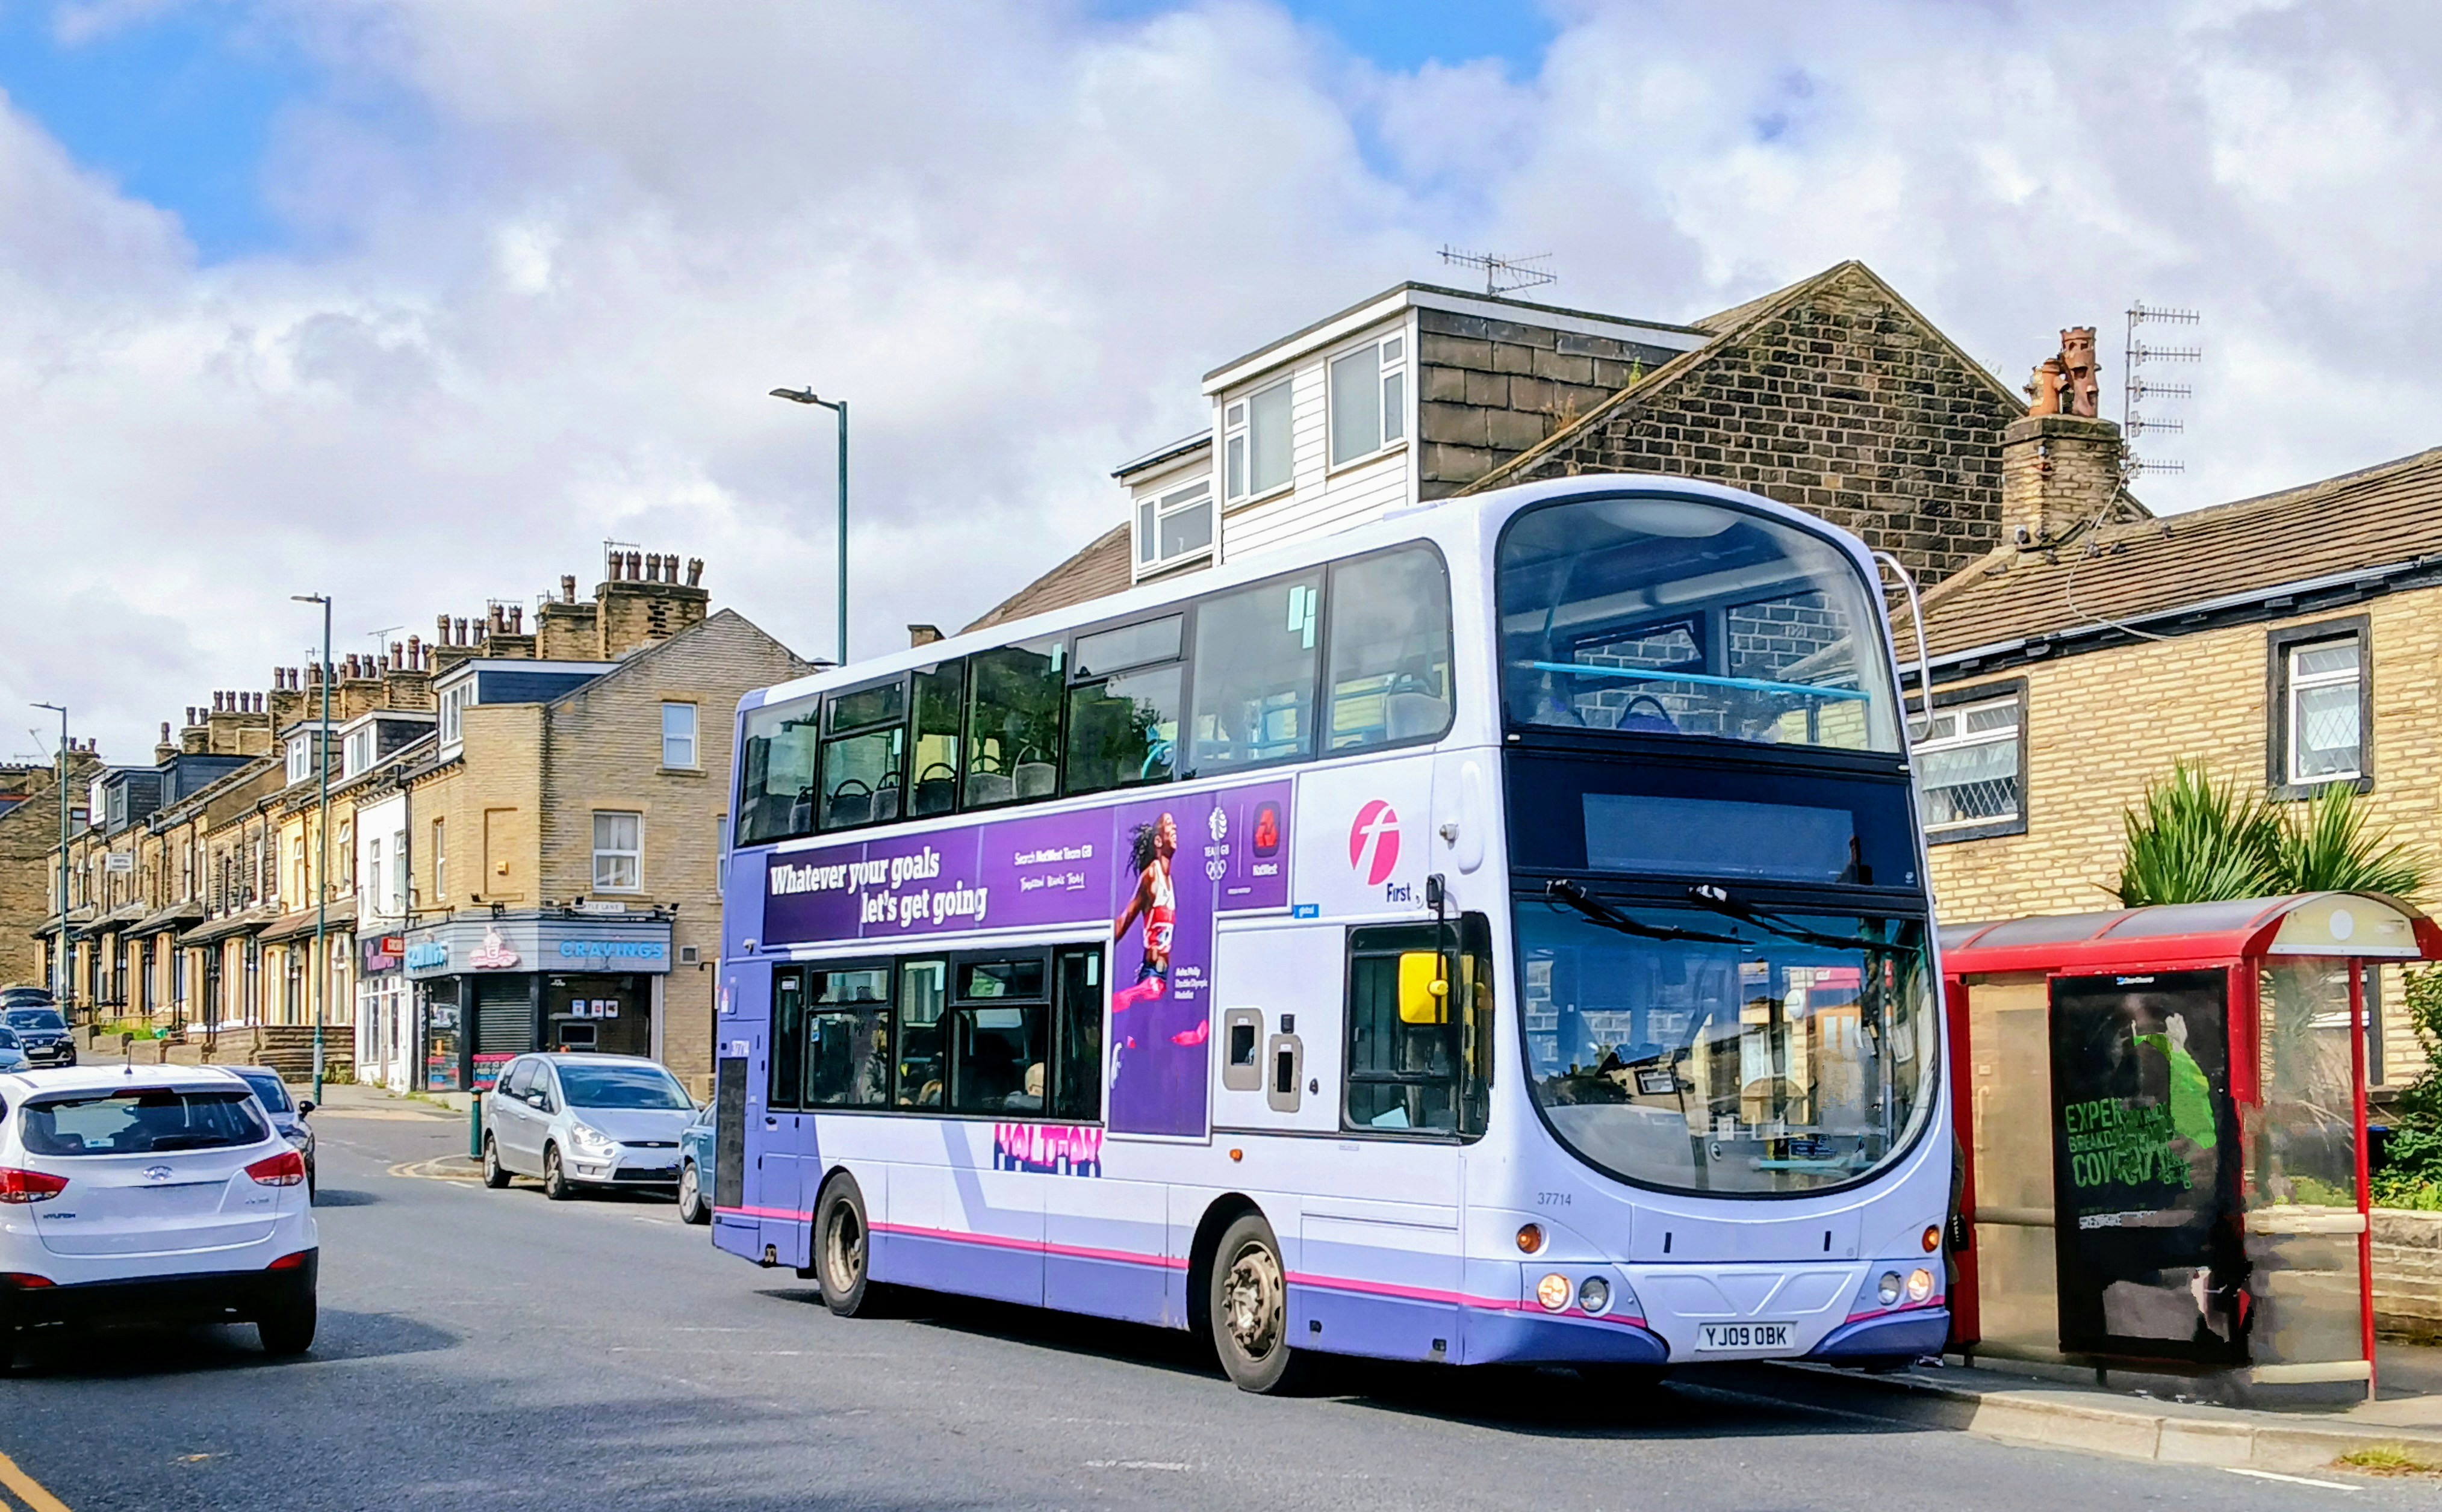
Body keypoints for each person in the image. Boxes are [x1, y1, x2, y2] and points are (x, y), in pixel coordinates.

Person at [1111, 814, 1178, 1012]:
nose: (1174, 828)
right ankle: (1118, 1001)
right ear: (1158, 840)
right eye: (1169, 825)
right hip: (1152, 975)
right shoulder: (1151, 875)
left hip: (1162, 974)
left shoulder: (1169, 880)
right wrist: (1100, 943)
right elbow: (1126, 918)